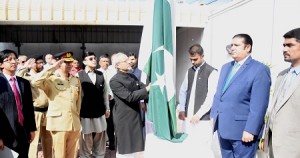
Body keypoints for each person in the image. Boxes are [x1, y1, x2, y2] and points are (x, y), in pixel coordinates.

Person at [210, 34, 271, 158]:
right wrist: (213, 115)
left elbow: (259, 105)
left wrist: (251, 130)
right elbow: (219, 94)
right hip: (223, 129)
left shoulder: (259, 69)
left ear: (247, 47)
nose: (232, 48)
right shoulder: (226, 67)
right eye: (231, 45)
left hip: (243, 132)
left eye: (236, 45)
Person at [32, 51, 81, 158]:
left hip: (74, 123)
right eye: (65, 62)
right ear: (58, 62)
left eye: (70, 62)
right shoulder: (51, 79)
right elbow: (35, 81)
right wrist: (52, 68)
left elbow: (78, 102)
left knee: (72, 154)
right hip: (59, 123)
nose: (69, 65)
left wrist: (78, 118)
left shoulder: (75, 79)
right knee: (59, 154)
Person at [263, 28, 300, 158]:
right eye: (284, 45)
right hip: (274, 145)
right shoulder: (281, 75)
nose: (285, 49)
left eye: (290, 45)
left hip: (294, 147)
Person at [178, 44, 217, 157]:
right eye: (191, 59)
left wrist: (199, 115)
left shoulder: (212, 72)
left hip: (203, 119)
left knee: (203, 149)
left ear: (202, 56)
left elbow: (211, 97)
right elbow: (183, 91)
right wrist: (181, 109)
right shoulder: (189, 71)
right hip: (188, 117)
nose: (193, 62)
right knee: (189, 147)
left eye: (195, 59)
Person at [109, 52, 150, 157]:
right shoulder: (114, 81)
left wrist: (150, 89)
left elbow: (143, 89)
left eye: (129, 60)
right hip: (124, 117)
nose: (129, 62)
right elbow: (129, 97)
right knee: (125, 147)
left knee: (134, 147)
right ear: (117, 65)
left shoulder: (132, 76)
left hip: (135, 115)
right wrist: (147, 89)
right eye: (125, 61)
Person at [0, 49, 36, 158]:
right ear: (1, 64)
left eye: (15, 59)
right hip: (5, 132)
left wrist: (31, 129)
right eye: (9, 59)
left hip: (23, 132)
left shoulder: (23, 82)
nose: (13, 62)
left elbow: (29, 107)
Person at [17, 55, 52, 158]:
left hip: (47, 111)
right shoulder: (26, 77)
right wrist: (25, 67)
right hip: (35, 112)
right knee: (34, 140)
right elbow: (17, 76)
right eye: (38, 63)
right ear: (32, 65)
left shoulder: (44, 76)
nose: (41, 65)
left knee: (48, 140)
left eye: (42, 62)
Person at [77, 51, 110, 158]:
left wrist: (107, 108)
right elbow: (78, 96)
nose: (94, 60)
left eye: (94, 58)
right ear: (84, 61)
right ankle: (85, 155)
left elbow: (105, 93)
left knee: (100, 135)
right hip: (85, 112)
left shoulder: (101, 74)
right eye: (90, 59)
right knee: (86, 136)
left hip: (99, 111)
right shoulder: (79, 75)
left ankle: (99, 155)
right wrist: (77, 112)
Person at [97, 54, 116, 150]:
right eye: (104, 61)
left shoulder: (112, 72)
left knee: (111, 122)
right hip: (100, 102)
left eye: (107, 61)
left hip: (111, 101)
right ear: (99, 63)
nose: (106, 63)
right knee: (100, 122)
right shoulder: (97, 73)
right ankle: (102, 143)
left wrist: (111, 95)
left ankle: (112, 142)